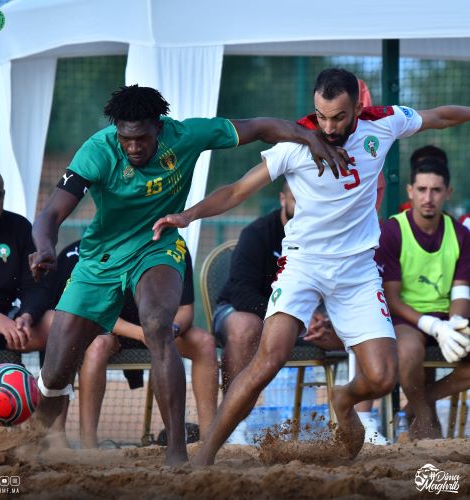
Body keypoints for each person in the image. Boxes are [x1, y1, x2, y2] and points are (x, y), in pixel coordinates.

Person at [152, 68, 470, 465]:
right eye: (321, 115)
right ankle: (203, 458)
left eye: (338, 117)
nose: (328, 126)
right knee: (269, 359)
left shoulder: (384, 123)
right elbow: (236, 190)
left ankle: (343, 399)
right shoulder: (295, 144)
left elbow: (440, 116)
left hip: (356, 272)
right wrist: (188, 215)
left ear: (357, 107)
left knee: (382, 377)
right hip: (304, 263)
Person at [28, 84, 348, 465]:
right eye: (125, 139)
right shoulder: (98, 150)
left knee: (158, 325)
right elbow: (50, 214)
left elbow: (261, 126)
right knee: (57, 362)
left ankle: (177, 454)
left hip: (157, 244)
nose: (133, 147)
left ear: (159, 128)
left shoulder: (188, 135)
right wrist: (45, 246)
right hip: (101, 256)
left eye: (142, 138)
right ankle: (36, 446)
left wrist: (310, 137)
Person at [53, 240, 218, 448]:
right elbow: (97, 311)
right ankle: (89, 444)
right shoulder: (104, 243)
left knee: (205, 343)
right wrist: (142, 333)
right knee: (96, 348)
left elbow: (186, 310)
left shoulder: (174, 245)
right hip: (112, 328)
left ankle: (210, 439)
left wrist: (171, 329)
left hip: (162, 328)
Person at [375, 146, 470, 439]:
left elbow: (461, 292)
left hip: (446, 315)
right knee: (409, 351)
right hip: (407, 319)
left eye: (436, 190)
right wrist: (433, 326)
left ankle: (421, 403)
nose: (429, 198)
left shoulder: (462, 235)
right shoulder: (392, 230)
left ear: (448, 192)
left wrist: (454, 324)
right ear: (410, 191)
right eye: (422, 189)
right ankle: (424, 413)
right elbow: (392, 298)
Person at [214, 180, 340, 393]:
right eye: (297, 199)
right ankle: (234, 422)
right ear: (283, 199)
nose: (304, 207)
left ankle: (359, 417)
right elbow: (241, 295)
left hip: (303, 319)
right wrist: (294, 317)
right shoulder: (256, 234)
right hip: (244, 311)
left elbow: (335, 290)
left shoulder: (327, 239)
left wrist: (324, 322)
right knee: (245, 328)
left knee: (352, 330)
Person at [0, 166, 51, 352]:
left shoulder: (19, 227)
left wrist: (27, 316)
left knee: (59, 325)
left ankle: (49, 382)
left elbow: (35, 286)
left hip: (11, 325)